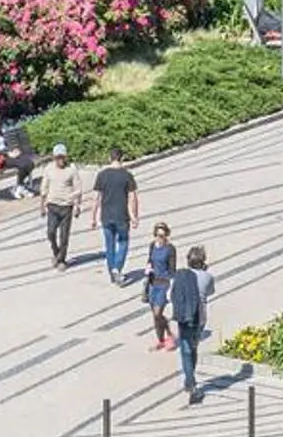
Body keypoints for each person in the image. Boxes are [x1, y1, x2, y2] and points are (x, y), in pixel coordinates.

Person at [169, 244, 214, 403]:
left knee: (186, 350)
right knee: (192, 347)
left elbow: (173, 293)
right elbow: (210, 291)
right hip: (200, 318)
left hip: (184, 316)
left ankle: (191, 382)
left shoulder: (181, 276)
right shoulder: (207, 277)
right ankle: (190, 380)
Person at [93, 146, 142, 282]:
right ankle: (117, 268)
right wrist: (134, 216)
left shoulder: (102, 175)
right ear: (122, 158)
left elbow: (97, 198)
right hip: (122, 216)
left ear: (110, 158)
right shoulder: (127, 175)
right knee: (123, 242)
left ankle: (112, 272)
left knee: (109, 245)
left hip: (106, 216)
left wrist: (93, 217)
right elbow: (133, 198)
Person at [36, 144, 81, 267]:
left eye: (62, 157)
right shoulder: (49, 169)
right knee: (50, 232)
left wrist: (77, 206)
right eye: (58, 157)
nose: (60, 160)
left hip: (66, 206)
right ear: (54, 158)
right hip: (52, 205)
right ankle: (56, 252)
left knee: (64, 236)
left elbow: (78, 189)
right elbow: (44, 188)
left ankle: (61, 260)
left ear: (66, 157)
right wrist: (42, 206)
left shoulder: (72, 169)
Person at [143, 224, 179, 348]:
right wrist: (148, 267)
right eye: (158, 236)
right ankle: (161, 339)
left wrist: (171, 286)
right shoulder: (152, 245)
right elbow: (150, 260)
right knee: (155, 315)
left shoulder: (170, 249)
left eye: (162, 236)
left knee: (158, 313)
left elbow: (172, 269)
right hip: (153, 283)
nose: (160, 238)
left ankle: (169, 334)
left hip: (164, 283)